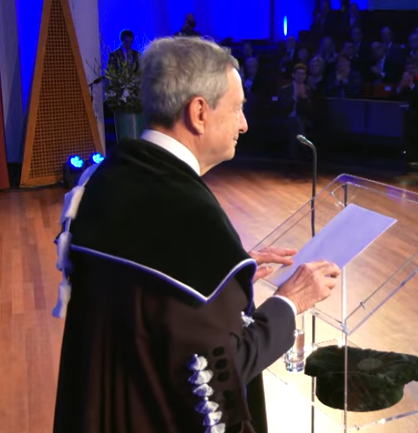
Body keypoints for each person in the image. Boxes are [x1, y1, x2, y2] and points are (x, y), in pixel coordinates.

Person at [52, 37, 341, 433]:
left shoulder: (107, 176)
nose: (244, 124)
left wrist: (224, 275)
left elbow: (148, 296)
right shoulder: (191, 216)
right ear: (199, 112)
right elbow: (219, 372)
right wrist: (289, 302)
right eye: (237, 108)